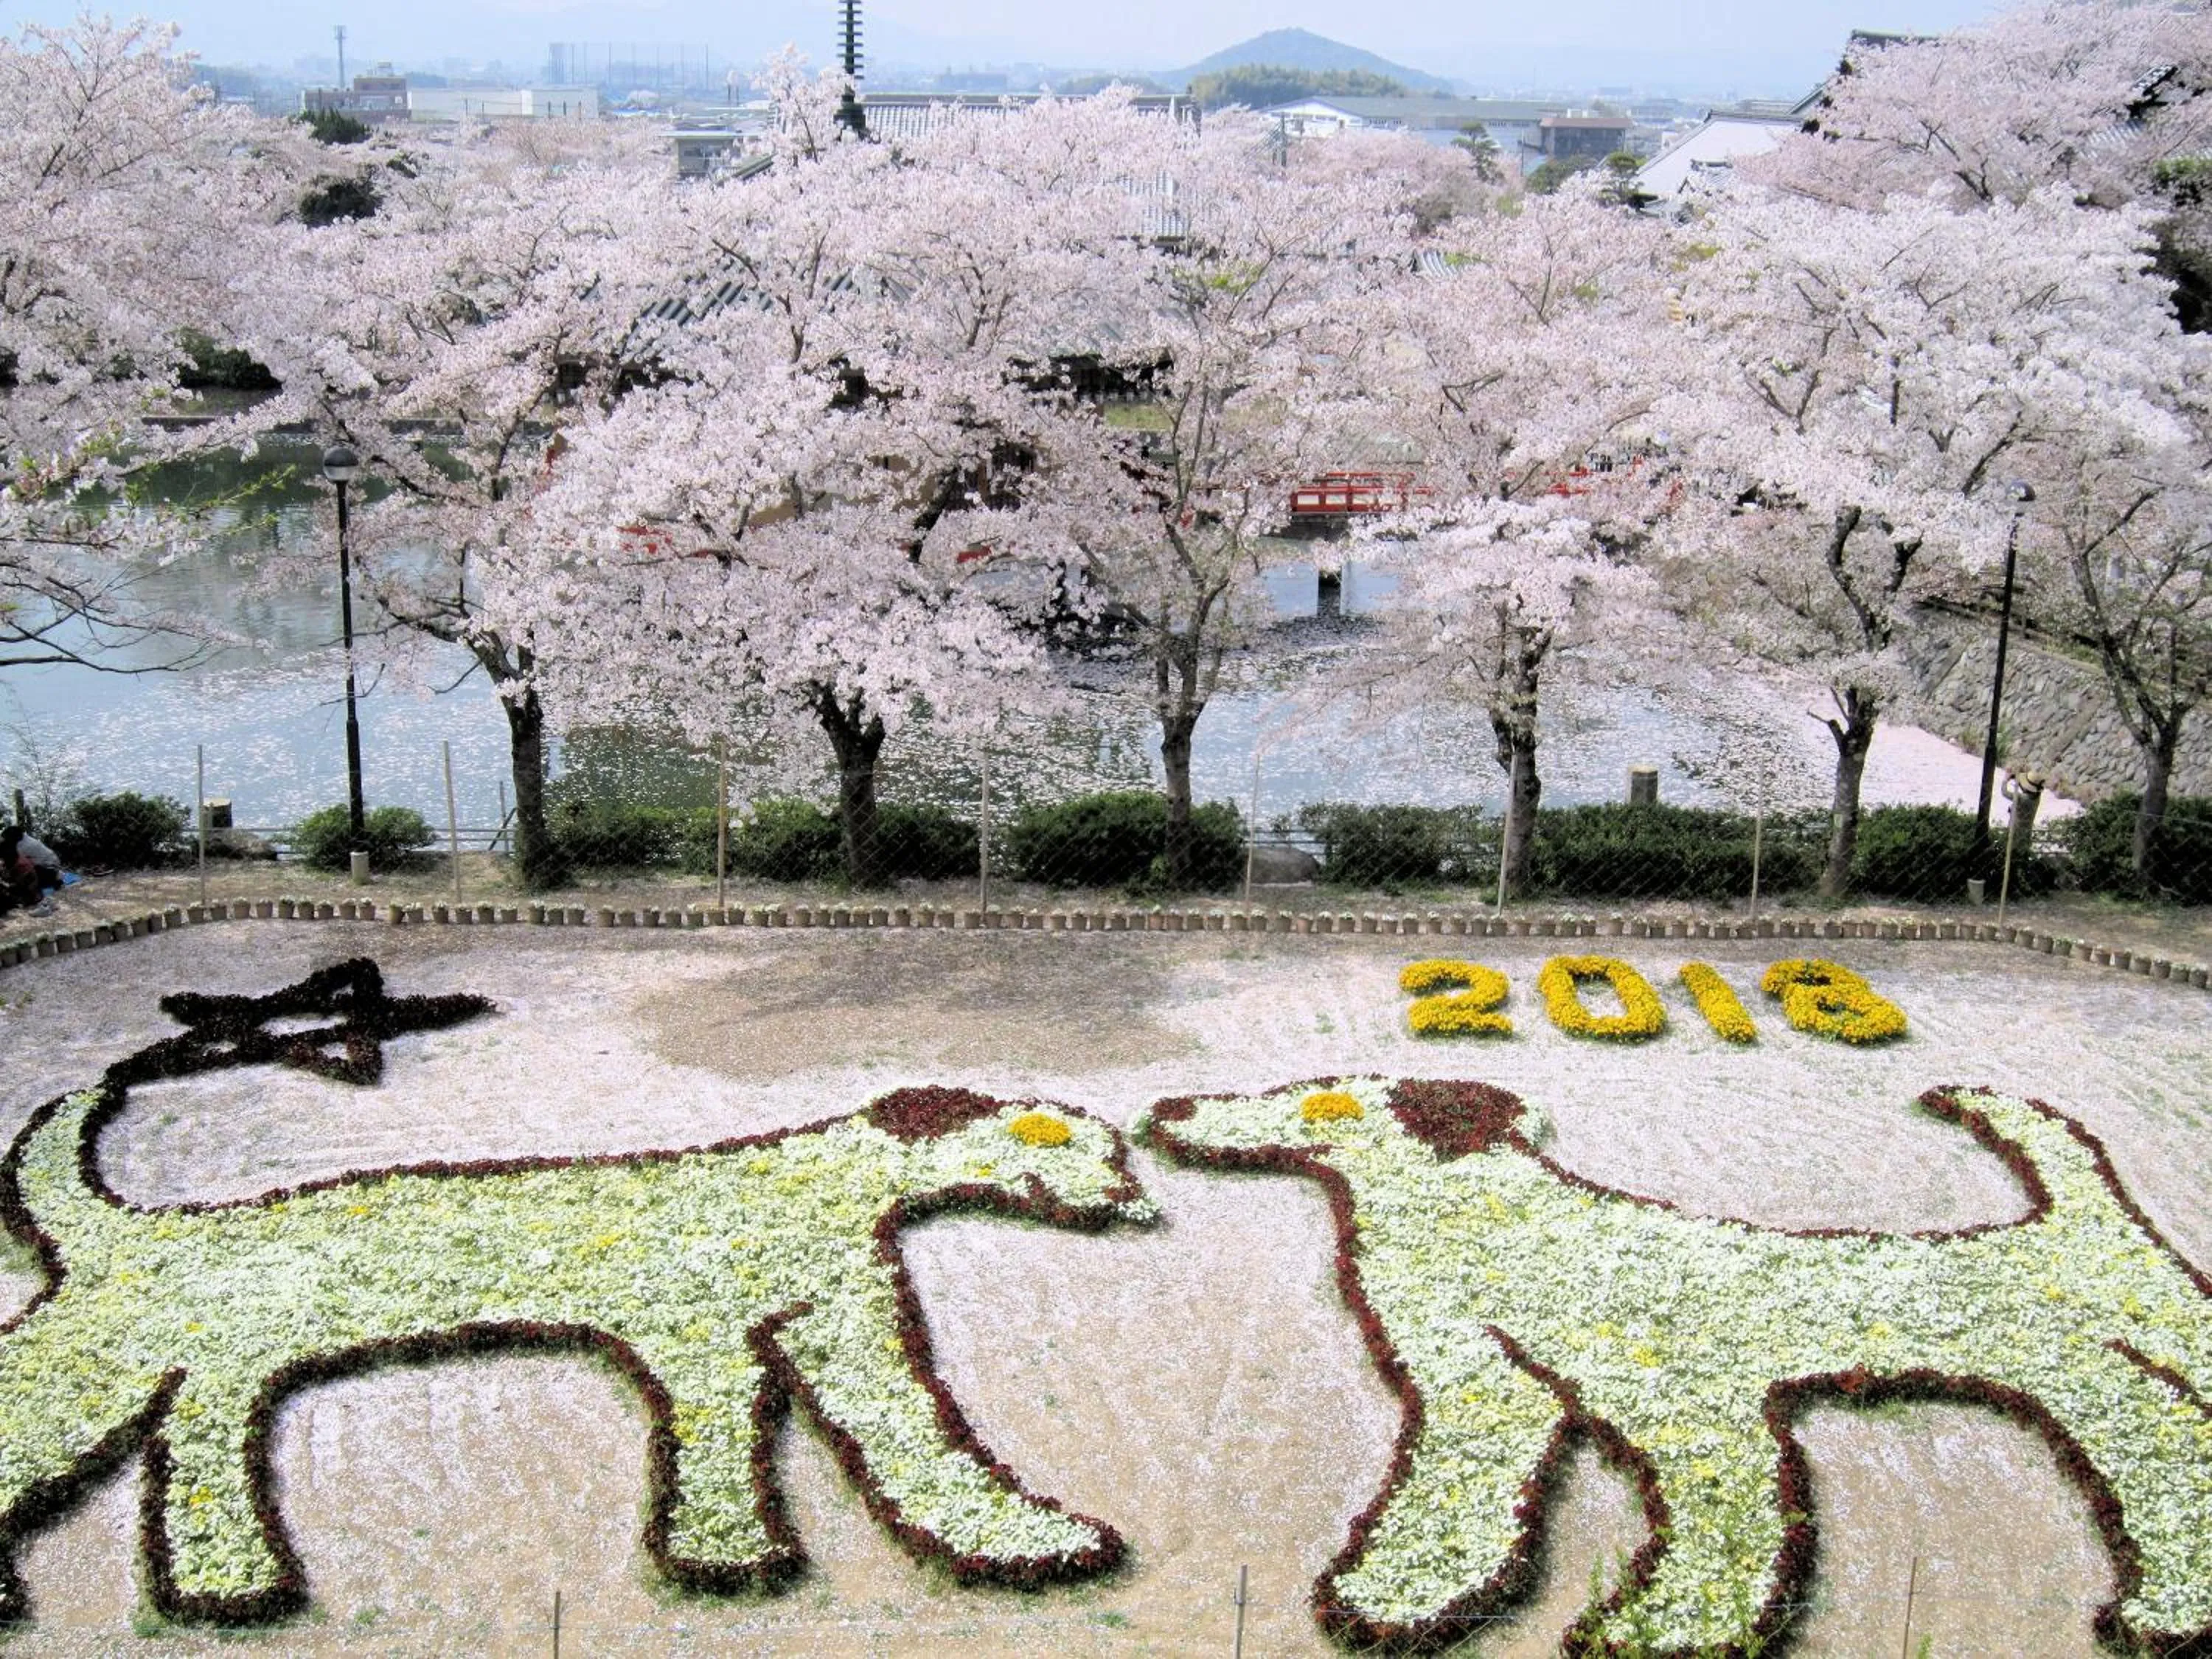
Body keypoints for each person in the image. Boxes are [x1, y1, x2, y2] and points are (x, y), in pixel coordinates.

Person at [1, 826, 63, 917]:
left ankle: (53, 880)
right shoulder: (24, 839)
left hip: (48, 869)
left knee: (22, 875)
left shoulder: (24, 847)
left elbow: (14, 861)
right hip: (48, 866)